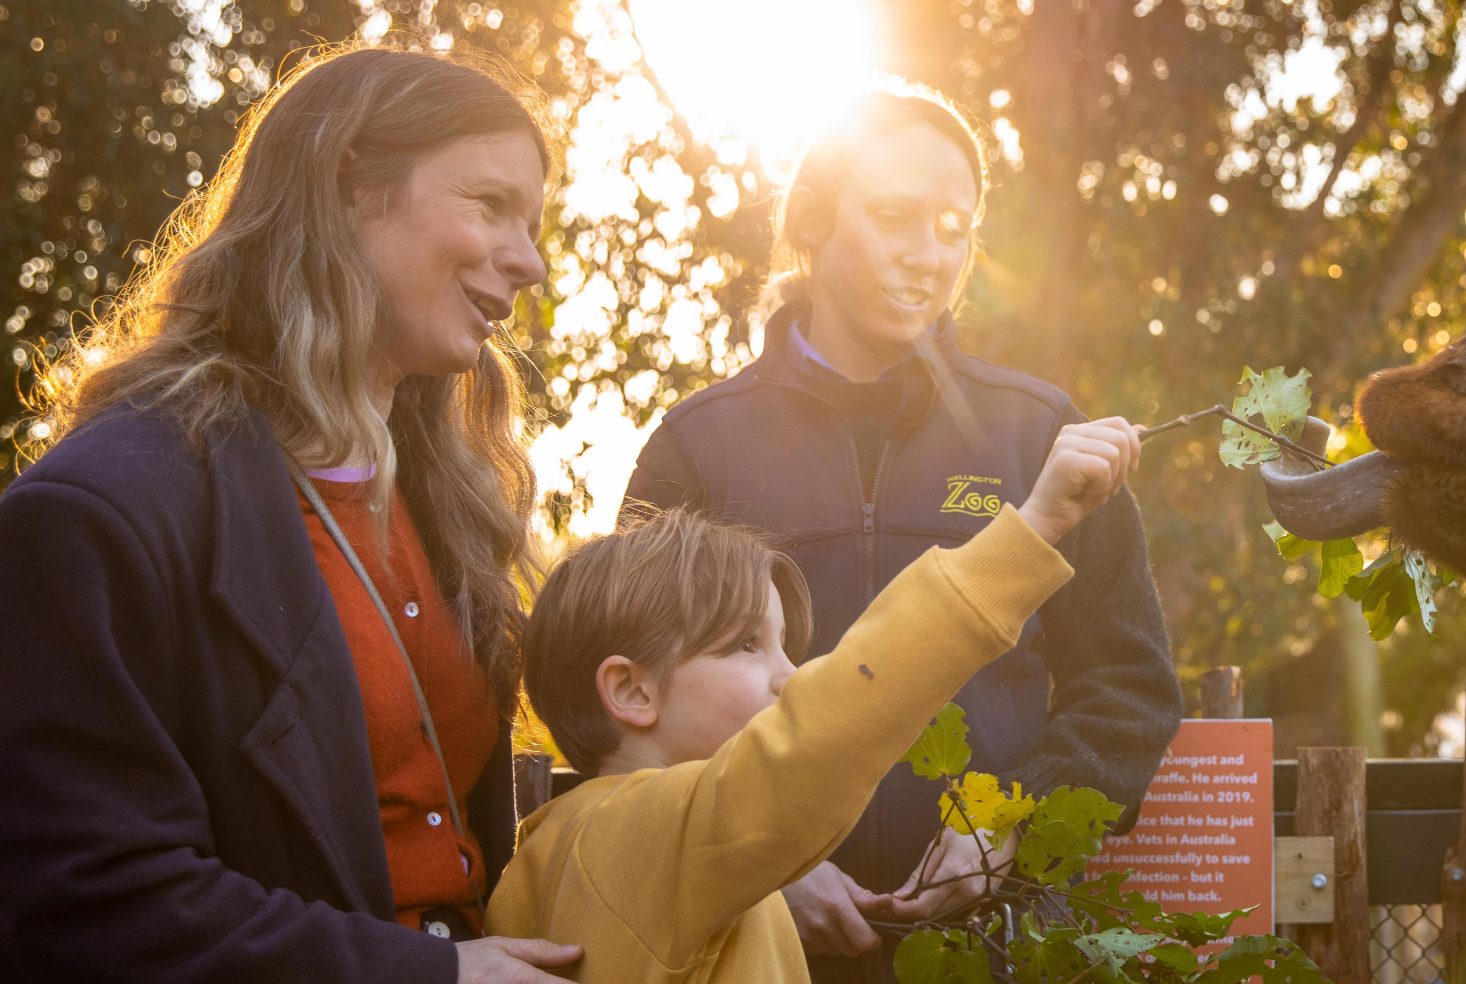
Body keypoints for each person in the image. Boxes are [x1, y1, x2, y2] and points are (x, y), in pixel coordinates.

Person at [0, 46, 583, 984]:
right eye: (490, 205)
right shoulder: (97, 511)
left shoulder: (444, 493)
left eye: (535, 223)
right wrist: (432, 976)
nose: (532, 261)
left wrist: (701, 850)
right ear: (352, 185)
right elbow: (93, 902)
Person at [619, 82, 1183, 978]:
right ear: (812, 221)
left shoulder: (1042, 437)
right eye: (894, 216)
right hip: (759, 948)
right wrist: (761, 866)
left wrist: (1010, 824)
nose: (929, 254)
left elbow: (1129, 691)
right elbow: (631, 717)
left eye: (955, 227)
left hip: (997, 945)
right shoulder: (696, 450)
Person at [491, 418, 1137, 983]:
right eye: (748, 646)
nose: (791, 678)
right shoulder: (657, 832)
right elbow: (834, 721)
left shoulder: (551, 855)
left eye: (785, 649)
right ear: (632, 690)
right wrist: (1034, 527)